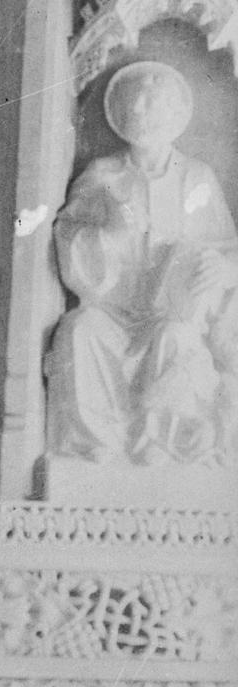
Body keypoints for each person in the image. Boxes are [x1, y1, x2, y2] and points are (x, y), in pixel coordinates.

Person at [46, 58, 238, 467]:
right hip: (115, 314)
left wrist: (225, 270)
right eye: (136, 105)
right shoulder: (103, 175)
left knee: (175, 337)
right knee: (79, 330)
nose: (143, 114)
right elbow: (68, 240)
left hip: (173, 315)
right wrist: (111, 234)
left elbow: (227, 249)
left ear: (173, 116)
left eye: (154, 106)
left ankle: (162, 445)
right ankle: (99, 446)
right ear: (122, 115)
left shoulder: (197, 178)